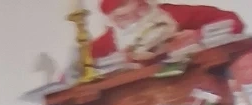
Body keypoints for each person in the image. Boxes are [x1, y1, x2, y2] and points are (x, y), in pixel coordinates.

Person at [90, 0, 242, 65]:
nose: (135, 20)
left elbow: (233, 21)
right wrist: (117, 62)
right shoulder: (104, 44)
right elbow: (81, 74)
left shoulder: (173, 15)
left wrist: (199, 35)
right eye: (122, 17)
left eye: (140, 10)